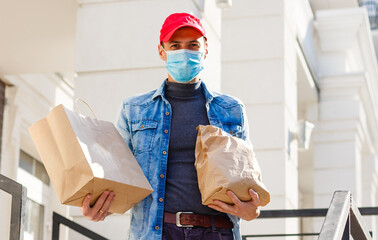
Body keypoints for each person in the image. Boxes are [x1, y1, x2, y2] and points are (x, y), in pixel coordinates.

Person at [78, 13, 260, 239]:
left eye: (193, 45)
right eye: (175, 45)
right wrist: (95, 205)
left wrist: (253, 208)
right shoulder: (134, 109)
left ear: (205, 49)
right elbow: (115, 172)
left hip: (217, 231)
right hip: (158, 232)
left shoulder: (232, 109)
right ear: (161, 51)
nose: (184, 52)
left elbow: (247, 177)